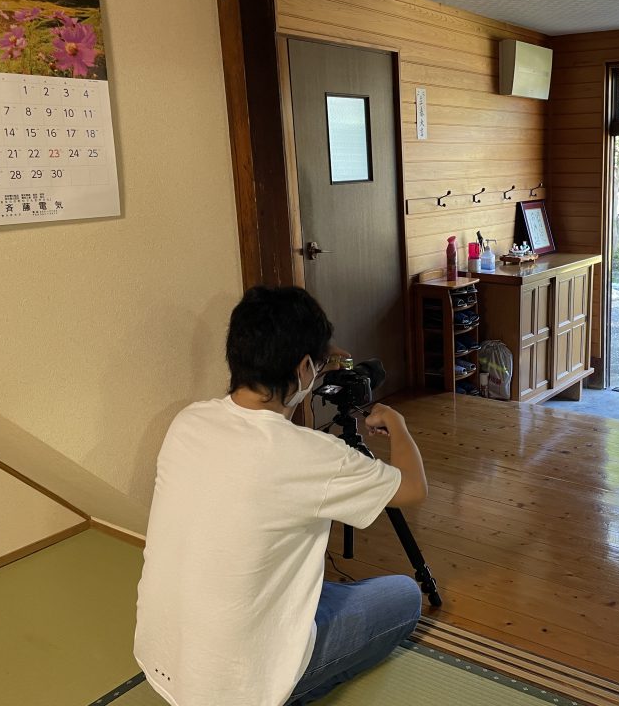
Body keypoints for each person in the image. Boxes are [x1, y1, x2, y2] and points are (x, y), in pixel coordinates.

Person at [134, 285, 428, 706]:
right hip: (232, 687)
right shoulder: (312, 455)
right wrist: (398, 425)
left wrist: (319, 358)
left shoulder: (188, 420)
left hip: (161, 655)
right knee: (402, 596)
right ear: (305, 368)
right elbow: (414, 489)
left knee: (301, 585)